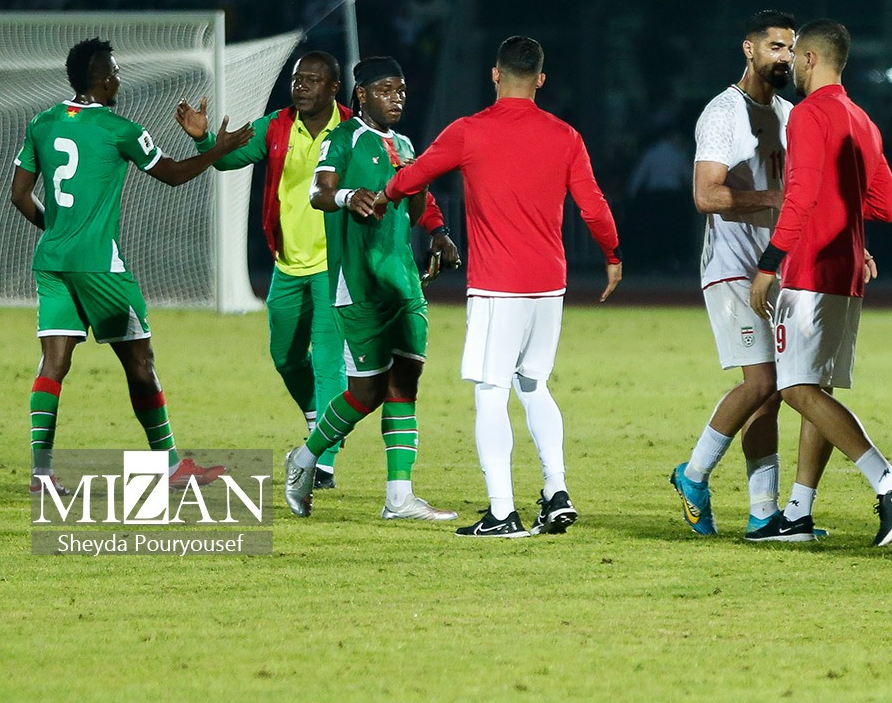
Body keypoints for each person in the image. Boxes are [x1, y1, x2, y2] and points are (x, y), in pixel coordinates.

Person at [175, 51, 459, 491]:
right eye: (297, 79)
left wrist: (437, 229)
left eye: (312, 80)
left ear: (334, 88)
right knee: (286, 357)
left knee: (331, 364)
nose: (301, 86)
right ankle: (318, 420)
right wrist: (204, 139)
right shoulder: (276, 126)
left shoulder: (354, 130)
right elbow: (230, 158)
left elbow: (412, 185)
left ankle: (321, 464)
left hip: (336, 266)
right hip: (288, 264)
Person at [381, 36, 622, 538]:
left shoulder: (469, 131)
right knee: (534, 386)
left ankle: (502, 513)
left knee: (491, 394)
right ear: (541, 79)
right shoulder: (566, 135)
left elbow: (413, 177)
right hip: (549, 285)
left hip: (498, 287)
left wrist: (385, 191)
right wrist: (612, 256)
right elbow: (594, 206)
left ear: (494, 74)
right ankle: (556, 492)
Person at [11, 37, 249, 493]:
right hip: (101, 267)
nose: (119, 79)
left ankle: (41, 474)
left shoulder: (42, 122)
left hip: (53, 262)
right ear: (103, 81)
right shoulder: (120, 129)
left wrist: (59, 232)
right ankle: (171, 467)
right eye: (116, 72)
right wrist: (219, 149)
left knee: (53, 364)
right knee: (141, 363)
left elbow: (19, 195)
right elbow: (172, 174)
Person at [747, 18, 892, 544]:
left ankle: (889, 483)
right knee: (816, 389)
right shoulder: (861, 119)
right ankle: (798, 512)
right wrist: (843, 222)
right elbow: (886, 205)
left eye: (795, 56)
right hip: (847, 272)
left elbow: (800, 197)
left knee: (795, 388)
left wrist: (768, 264)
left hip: (809, 270)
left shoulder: (807, 114)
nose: (791, 65)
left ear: (809, 58)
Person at [281, 56, 456, 523]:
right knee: (367, 390)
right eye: (386, 90)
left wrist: (438, 231)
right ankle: (304, 458)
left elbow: (416, 207)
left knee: (406, 381)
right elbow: (318, 192)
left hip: (402, 280)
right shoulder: (343, 138)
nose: (397, 99)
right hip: (358, 282)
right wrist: (346, 196)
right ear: (361, 94)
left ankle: (399, 497)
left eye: (401, 91)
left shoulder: (405, 144)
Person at [668, 10, 793, 540]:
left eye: (790, 48)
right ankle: (693, 474)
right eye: (774, 46)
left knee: (774, 392)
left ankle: (764, 513)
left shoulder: (789, 114)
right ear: (749, 48)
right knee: (761, 381)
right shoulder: (724, 113)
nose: (784, 57)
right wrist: (772, 199)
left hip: (774, 266)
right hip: (731, 268)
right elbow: (706, 195)